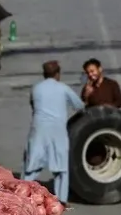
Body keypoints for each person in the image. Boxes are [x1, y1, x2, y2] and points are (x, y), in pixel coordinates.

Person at [24, 60, 84, 205]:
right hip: (57, 130)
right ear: (57, 74)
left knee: (32, 164)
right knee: (61, 167)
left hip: (39, 128)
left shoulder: (36, 88)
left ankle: (24, 194)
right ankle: (61, 199)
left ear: (44, 74)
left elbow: (33, 105)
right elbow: (80, 106)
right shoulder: (63, 88)